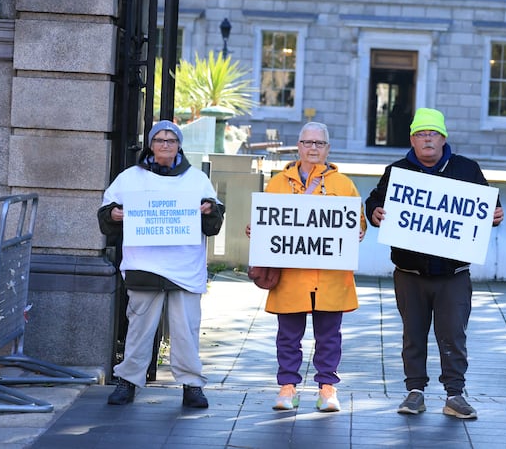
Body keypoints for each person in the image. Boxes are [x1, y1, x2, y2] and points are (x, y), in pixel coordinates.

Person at [364, 108, 504, 420]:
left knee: (453, 334)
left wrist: (496, 214)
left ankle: (455, 395)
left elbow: (488, 207)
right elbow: (374, 201)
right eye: (421, 134)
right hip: (409, 273)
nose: (427, 139)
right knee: (412, 334)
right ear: (412, 140)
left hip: (453, 274)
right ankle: (415, 392)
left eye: (433, 134)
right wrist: (373, 212)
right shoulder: (396, 172)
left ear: (443, 138)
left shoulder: (467, 169)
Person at [98, 120, 225, 408]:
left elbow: (215, 222)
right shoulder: (129, 178)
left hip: (184, 268)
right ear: (151, 144)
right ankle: (128, 381)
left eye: (171, 140)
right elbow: (106, 214)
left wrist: (208, 211)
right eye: (160, 140)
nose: (165, 144)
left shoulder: (197, 180)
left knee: (186, 329)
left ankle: (192, 384)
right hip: (145, 266)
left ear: (179, 145)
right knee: (140, 328)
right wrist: (115, 215)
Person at [245, 121, 366, 413]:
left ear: (327, 148)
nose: (313, 148)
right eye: (308, 143)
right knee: (288, 335)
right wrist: (257, 231)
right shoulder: (277, 183)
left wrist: (359, 229)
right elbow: (266, 222)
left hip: (330, 277)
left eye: (319, 143)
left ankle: (327, 388)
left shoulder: (343, 185)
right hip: (291, 277)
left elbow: (357, 222)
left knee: (329, 336)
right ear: (298, 146)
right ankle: (287, 387)